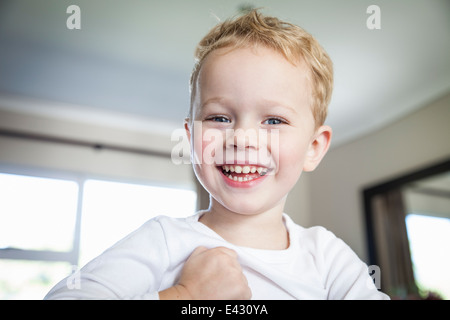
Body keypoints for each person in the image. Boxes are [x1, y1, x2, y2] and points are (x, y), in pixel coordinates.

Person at [45, 9, 389, 300]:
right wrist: (185, 297)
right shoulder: (163, 241)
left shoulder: (328, 259)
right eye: (219, 118)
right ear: (191, 136)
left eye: (273, 120)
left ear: (313, 148)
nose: (242, 138)